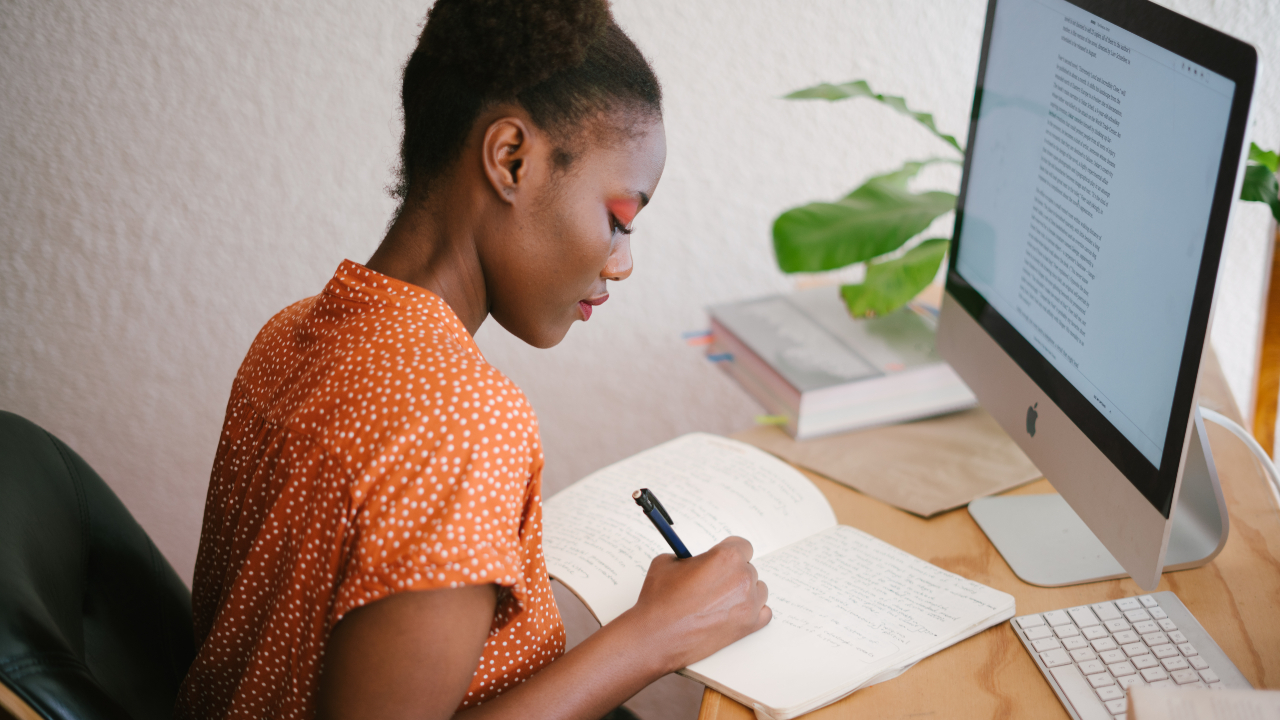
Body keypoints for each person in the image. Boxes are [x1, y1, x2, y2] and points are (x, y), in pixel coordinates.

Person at [175, 1, 771, 719]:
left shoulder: (292, 332)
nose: (623, 264)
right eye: (618, 220)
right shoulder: (465, 420)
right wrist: (654, 637)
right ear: (510, 158)